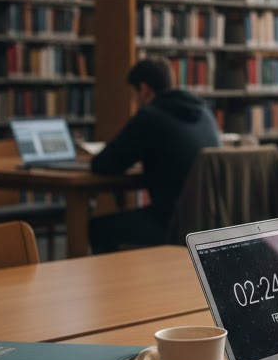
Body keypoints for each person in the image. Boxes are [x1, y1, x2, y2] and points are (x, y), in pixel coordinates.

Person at [88, 56, 221, 253]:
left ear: (144, 89)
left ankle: (120, 283)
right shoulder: (205, 112)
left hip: (172, 223)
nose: (134, 101)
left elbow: (104, 164)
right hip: (212, 219)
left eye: (133, 94)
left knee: (98, 228)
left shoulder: (150, 117)